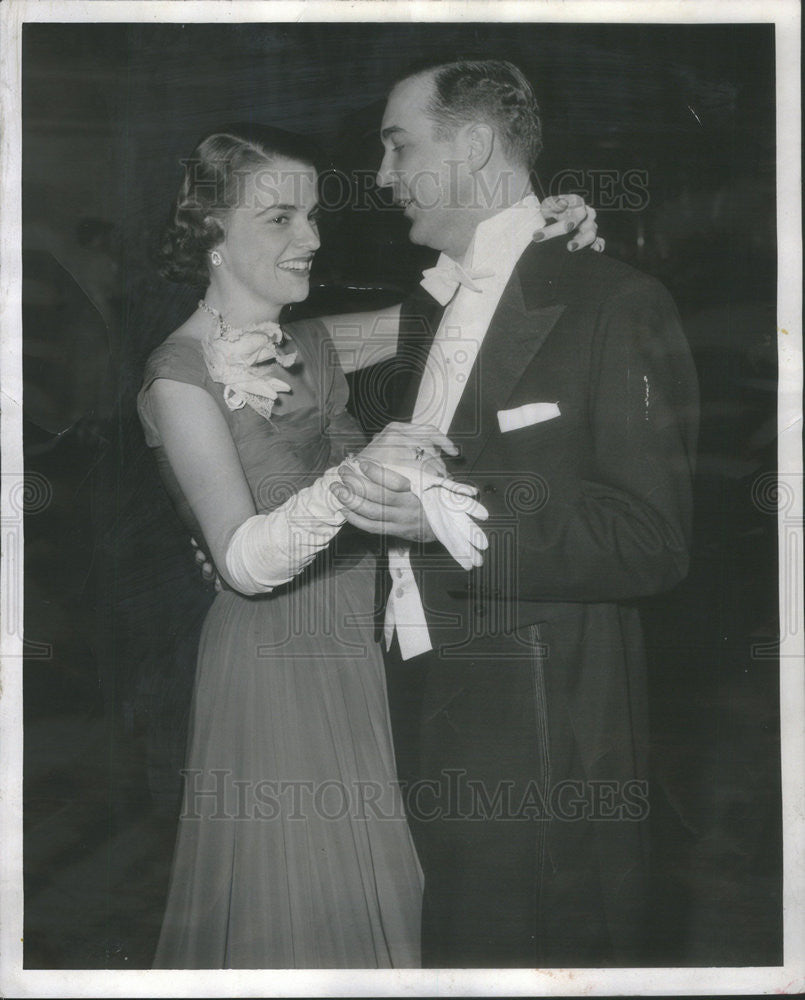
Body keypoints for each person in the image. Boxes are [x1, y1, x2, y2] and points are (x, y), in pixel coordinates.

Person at [137, 122, 598, 968]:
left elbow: (466, 305)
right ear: (209, 230)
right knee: (314, 912)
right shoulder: (179, 375)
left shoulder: (314, 340)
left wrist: (540, 228)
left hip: (369, 639)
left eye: (314, 216)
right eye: (280, 219)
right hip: (278, 662)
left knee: (397, 885)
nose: (312, 238)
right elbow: (240, 557)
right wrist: (357, 484)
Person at [334, 60, 700, 968]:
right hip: (427, 689)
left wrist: (448, 522)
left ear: (472, 145)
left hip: (539, 718)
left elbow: (650, 540)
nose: (380, 175)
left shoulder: (614, 300)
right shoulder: (438, 305)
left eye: (396, 144)